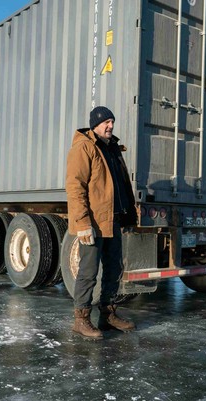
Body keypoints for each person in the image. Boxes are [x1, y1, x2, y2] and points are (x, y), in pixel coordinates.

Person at [65, 106, 138, 340]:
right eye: (106, 122)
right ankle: (81, 319)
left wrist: (128, 215)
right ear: (95, 124)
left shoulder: (112, 148)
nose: (110, 126)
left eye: (112, 122)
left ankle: (107, 315)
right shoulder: (84, 147)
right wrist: (82, 222)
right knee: (88, 272)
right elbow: (75, 187)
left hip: (112, 220)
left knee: (114, 269)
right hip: (93, 223)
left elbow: (119, 186)